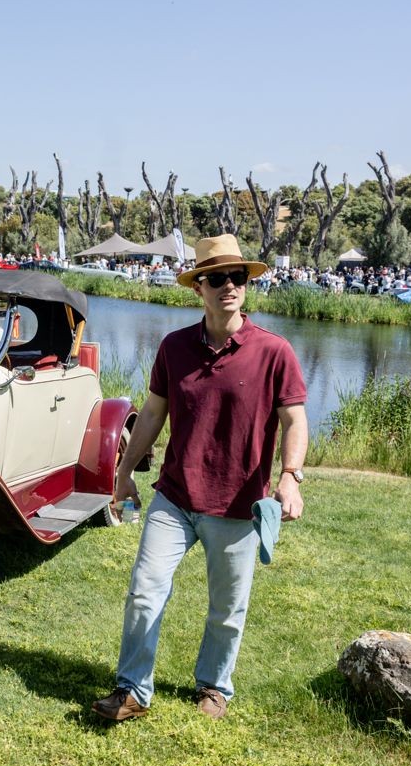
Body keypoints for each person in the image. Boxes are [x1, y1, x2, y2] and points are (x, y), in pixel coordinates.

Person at [92, 234, 308, 722]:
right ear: (198, 288)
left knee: (226, 611)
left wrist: (290, 475)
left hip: (237, 506)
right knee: (145, 589)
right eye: (217, 278)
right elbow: (151, 415)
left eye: (237, 277)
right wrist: (124, 472)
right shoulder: (174, 347)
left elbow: (295, 420)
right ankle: (132, 691)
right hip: (175, 498)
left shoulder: (275, 352)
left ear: (246, 285)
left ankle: (214, 686)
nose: (228, 286)